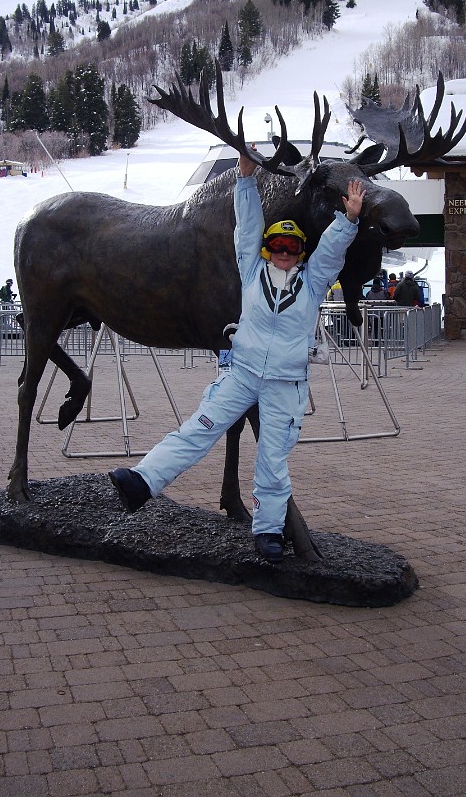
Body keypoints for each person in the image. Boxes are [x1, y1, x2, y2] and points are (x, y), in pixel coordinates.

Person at [110, 149, 365, 564]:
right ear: (267, 249)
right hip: (242, 374)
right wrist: (244, 182)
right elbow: (246, 229)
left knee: (272, 460)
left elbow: (332, 253)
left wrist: (348, 220)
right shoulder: (252, 271)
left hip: (286, 384)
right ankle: (142, 481)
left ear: (301, 251)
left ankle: (267, 533)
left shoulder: (313, 282)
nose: (284, 252)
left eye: (292, 246)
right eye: (277, 245)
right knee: (197, 430)